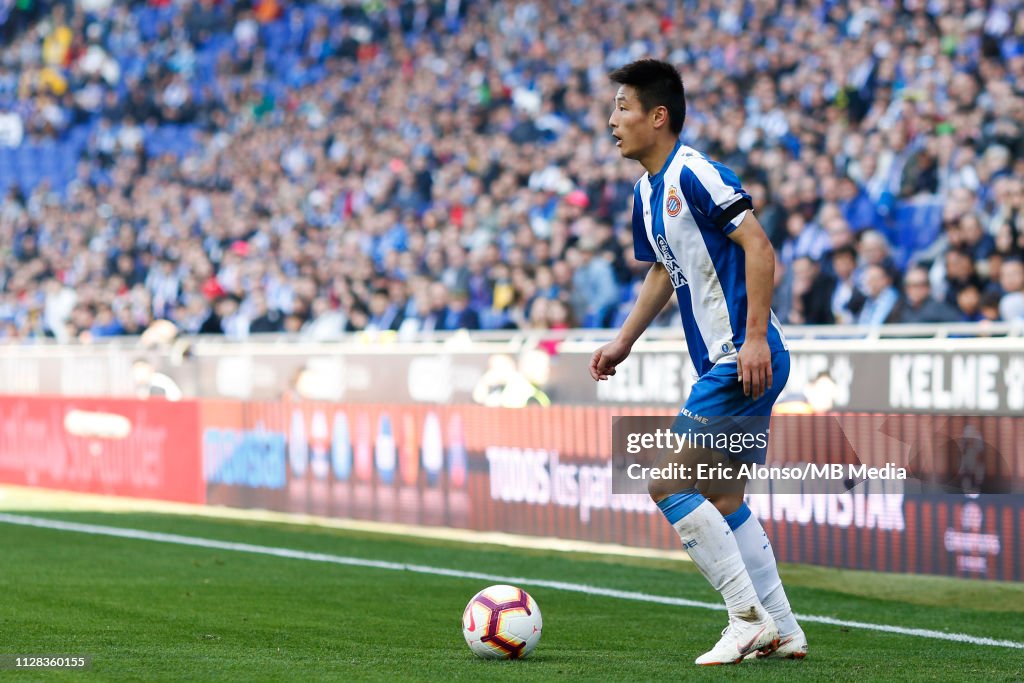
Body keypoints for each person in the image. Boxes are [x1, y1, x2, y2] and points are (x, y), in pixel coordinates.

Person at [590, 59, 804, 665]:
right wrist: (624, 340)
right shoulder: (646, 192)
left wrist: (755, 338)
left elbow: (759, 246)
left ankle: (745, 618)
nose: (612, 120)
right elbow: (665, 267)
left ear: (659, 117)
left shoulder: (696, 174)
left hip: (742, 359)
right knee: (723, 496)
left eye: (623, 108)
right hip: (734, 358)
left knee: (665, 481)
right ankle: (784, 628)